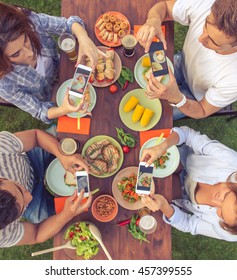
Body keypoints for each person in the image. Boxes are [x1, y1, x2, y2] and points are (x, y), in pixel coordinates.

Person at [137, 0, 237, 120]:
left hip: (192, 97)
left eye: (213, 42)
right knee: (138, 89)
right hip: (181, 63)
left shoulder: (233, 79)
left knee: (155, 117)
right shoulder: (208, 4)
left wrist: (176, 98)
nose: (200, 39)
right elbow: (164, 6)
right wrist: (153, 20)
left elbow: (202, 110)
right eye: (205, 26)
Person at [0, 2, 98, 123]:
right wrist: (63, 109)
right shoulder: (4, 85)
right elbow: (39, 110)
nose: (30, 53)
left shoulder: (29, 21)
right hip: (50, 97)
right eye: (16, 54)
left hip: (63, 67)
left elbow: (68, 24)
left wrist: (83, 38)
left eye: (26, 40)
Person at [140, 126, 237, 241]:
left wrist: (164, 206)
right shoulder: (230, 161)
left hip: (183, 196)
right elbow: (189, 135)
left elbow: (190, 224)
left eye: (220, 213)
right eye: (225, 196)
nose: (215, 202)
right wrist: (163, 146)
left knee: (144, 195)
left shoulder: (230, 234)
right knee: (141, 156)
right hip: (183, 161)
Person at [0, 129, 92, 247]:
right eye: (20, 209)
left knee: (65, 135)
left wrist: (61, 155)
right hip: (35, 205)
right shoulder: (1, 236)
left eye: (19, 189)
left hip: (33, 161)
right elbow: (36, 235)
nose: (30, 196)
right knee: (63, 219)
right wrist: (66, 215)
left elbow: (36, 136)